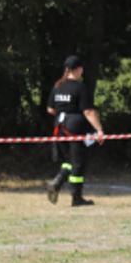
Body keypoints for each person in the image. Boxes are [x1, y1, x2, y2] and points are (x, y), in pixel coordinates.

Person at [45, 55, 107, 207]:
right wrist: (99, 130)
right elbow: (88, 112)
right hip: (75, 128)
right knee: (78, 163)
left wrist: (63, 111)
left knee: (68, 162)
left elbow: (50, 109)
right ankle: (76, 198)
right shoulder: (80, 87)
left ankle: (57, 183)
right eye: (81, 68)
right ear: (78, 69)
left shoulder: (58, 86)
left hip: (59, 127)